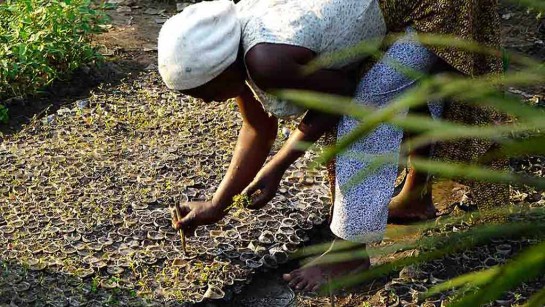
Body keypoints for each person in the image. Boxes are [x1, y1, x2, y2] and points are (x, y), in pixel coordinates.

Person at [158, 0, 507, 292]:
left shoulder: (266, 61)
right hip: (389, 7)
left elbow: (342, 95)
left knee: (368, 107)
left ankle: (350, 255)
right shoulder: (237, 50)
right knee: (399, 82)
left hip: (434, 5)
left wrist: (278, 166)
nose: (203, 102)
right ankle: (415, 196)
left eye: (201, 92)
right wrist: (218, 203)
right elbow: (257, 127)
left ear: (220, 68)